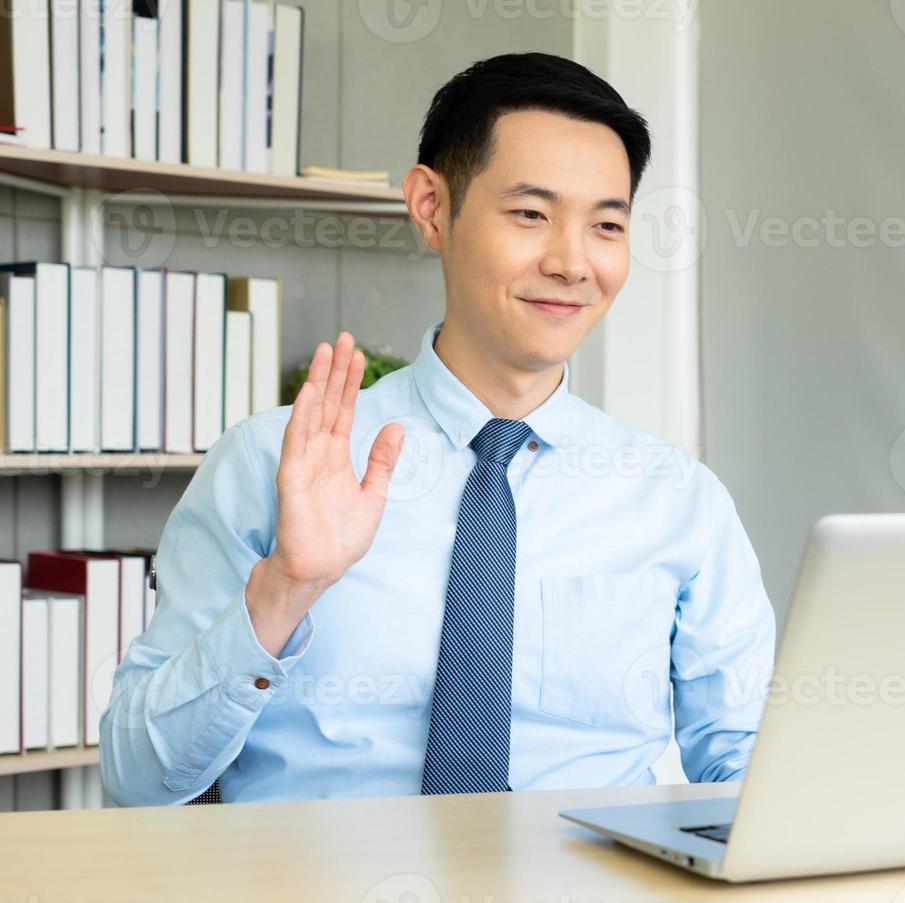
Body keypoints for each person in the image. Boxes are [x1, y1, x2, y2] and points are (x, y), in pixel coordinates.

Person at [100, 53, 775, 805]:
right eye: (530, 214)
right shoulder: (271, 463)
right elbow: (137, 780)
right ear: (431, 206)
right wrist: (285, 591)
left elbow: (753, 771)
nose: (572, 262)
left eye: (607, 225)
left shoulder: (677, 499)